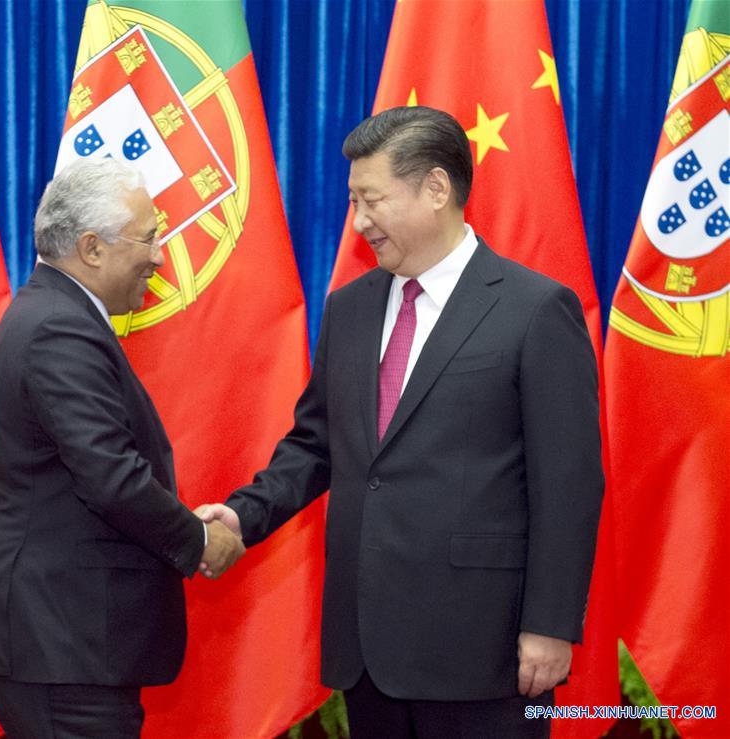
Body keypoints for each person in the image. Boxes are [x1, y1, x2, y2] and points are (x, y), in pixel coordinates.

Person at [199, 106, 604, 738]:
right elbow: (315, 444)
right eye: (353, 202)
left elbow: (569, 483)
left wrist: (549, 624)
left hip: (484, 650)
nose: (359, 223)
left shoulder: (534, 310)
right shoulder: (351, 309)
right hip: (367, 650)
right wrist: (243, 515)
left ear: (436, 189)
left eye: (371, 200)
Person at [0, 157, 244, 738]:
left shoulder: (52, 316)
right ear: (91, 248)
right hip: (62, 639)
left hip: (64, 639)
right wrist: (200, 541)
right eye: (149, 236)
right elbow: (110, 477)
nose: (160, 255)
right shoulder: (58, 328)